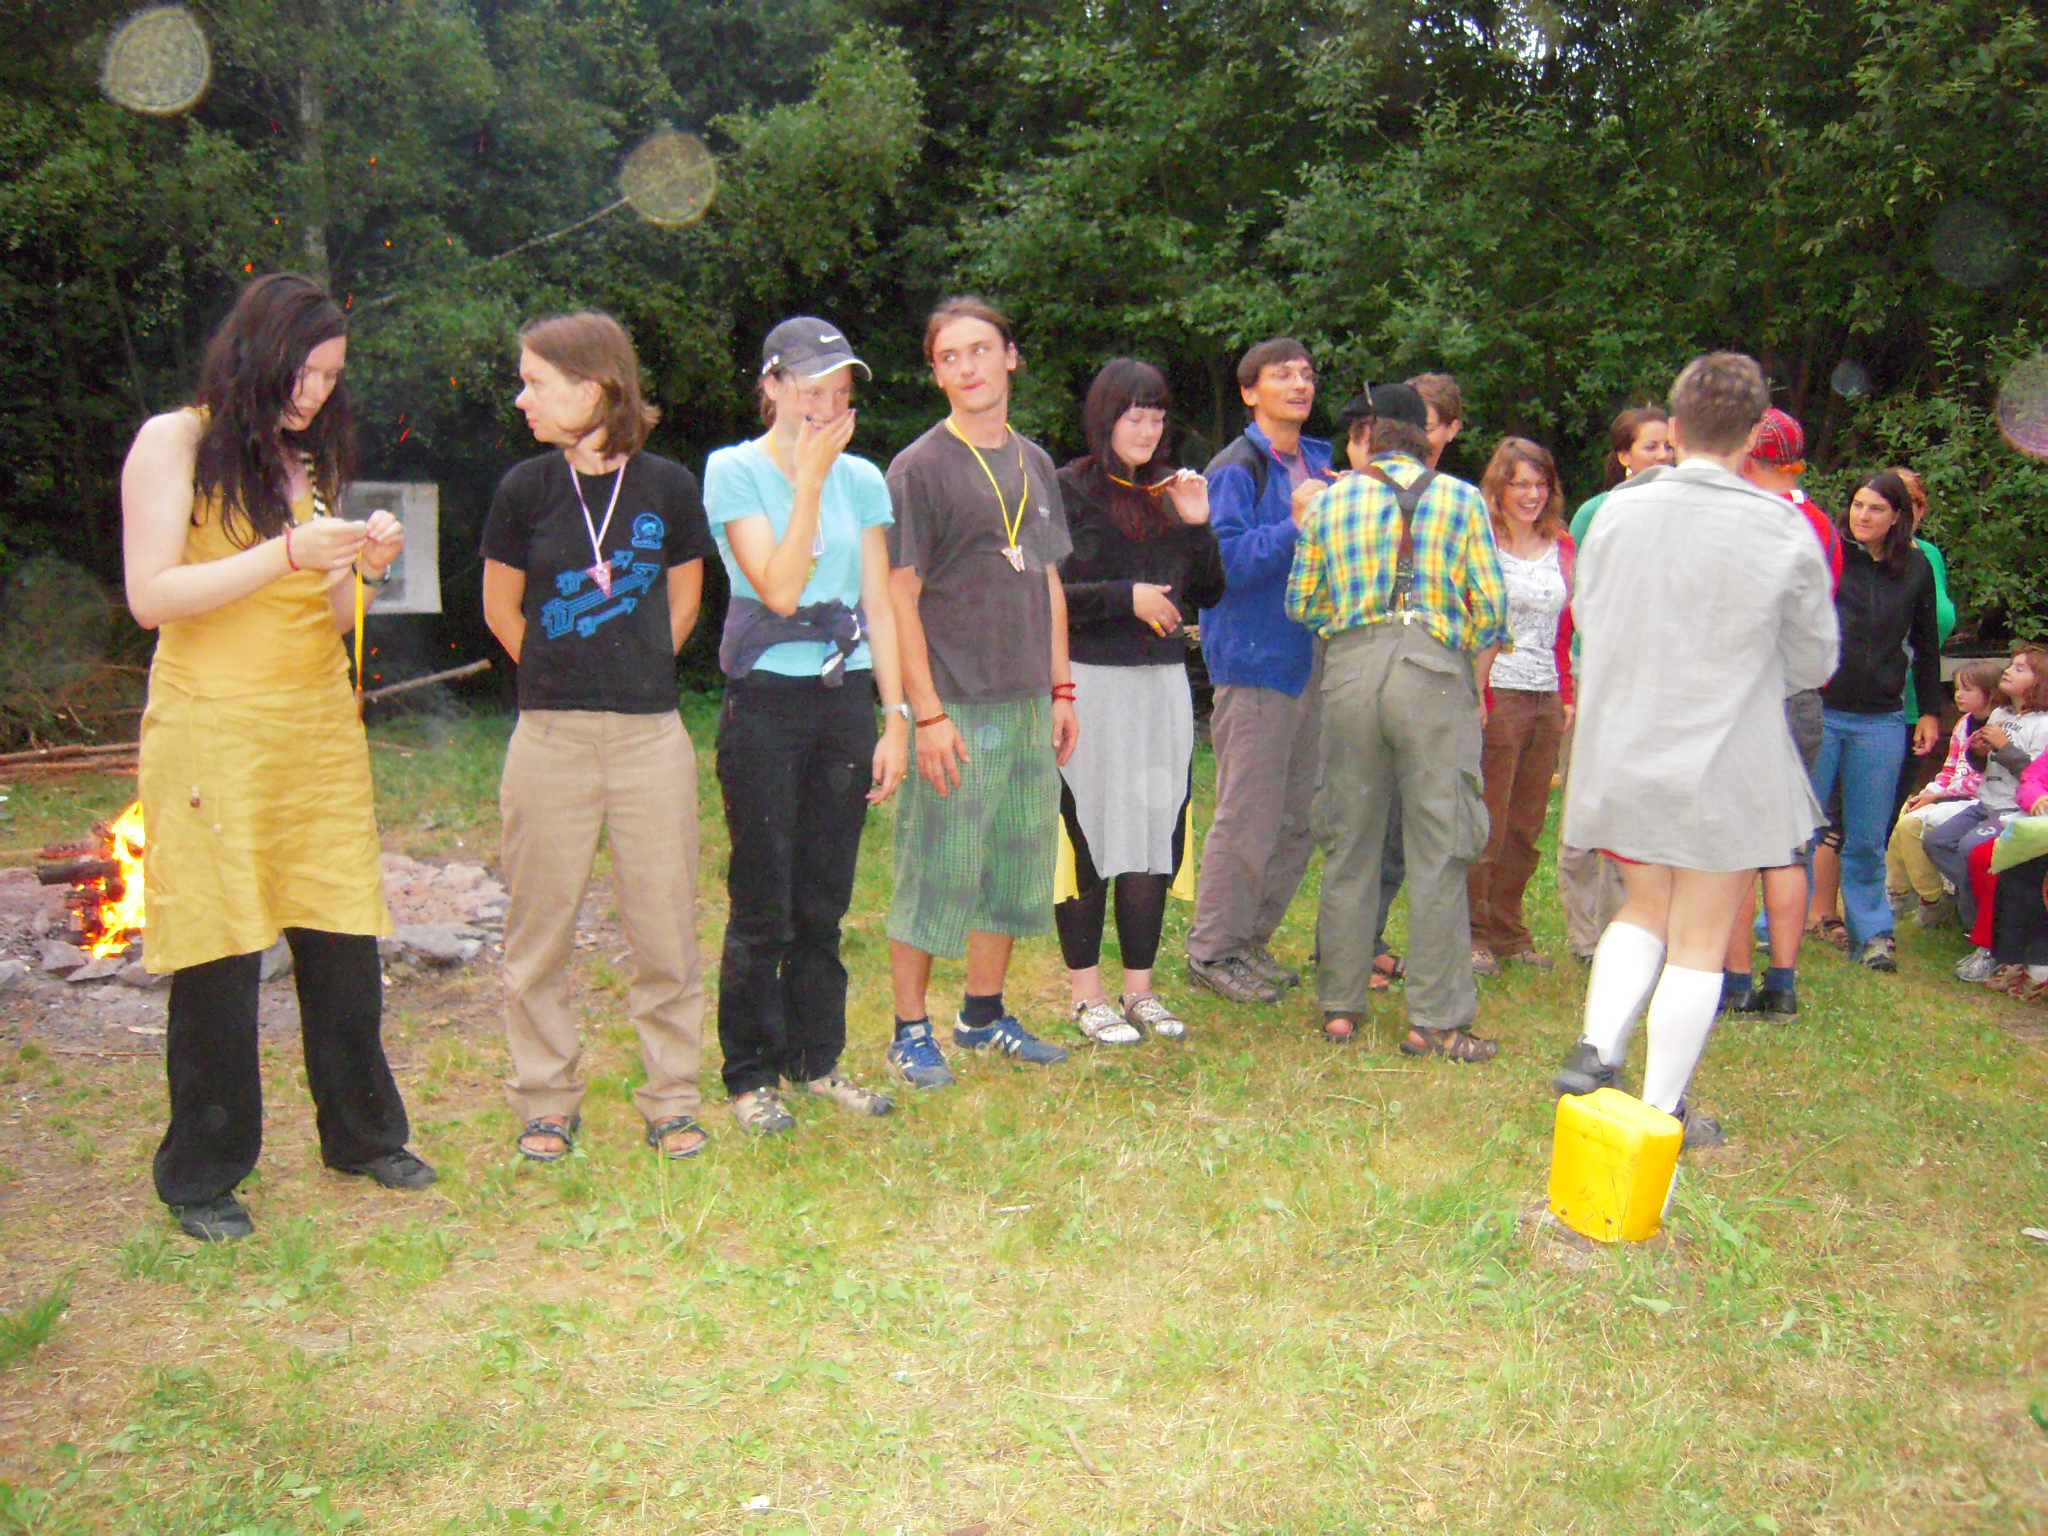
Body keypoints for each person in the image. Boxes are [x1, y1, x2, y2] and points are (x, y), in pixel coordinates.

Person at [121, 272, 433, 1243]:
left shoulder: (306, 465)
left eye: (331, 378)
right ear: (257, 353)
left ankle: (363, 1135)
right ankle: (203, 1172)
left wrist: (362, 569)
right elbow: (152, 595)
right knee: (218, 946)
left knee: (340, 934)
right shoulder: (175, 442)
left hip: (313, 732)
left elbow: (325, 615)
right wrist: (289, 554)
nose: (315, 393)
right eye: (305, 372)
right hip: (212, 729)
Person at [1552, 352, 1838, 1148]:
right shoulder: (1781, 525)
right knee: (1703, 935)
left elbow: (1591, 620)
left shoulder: (1616, 512)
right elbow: (1815, 659)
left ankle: (1598, 1046)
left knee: (1646, 904)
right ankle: (1659, 1109)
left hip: (1626, 741)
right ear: (1751, 436)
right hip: (1726, 755)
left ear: (1674, 428)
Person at [482, 311, 716, 1163]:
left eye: (535, 382)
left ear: (592, 388)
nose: (523, 399)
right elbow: (499, 607)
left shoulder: (668, 487)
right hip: (548, 738)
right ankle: (546, 1099)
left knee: (665, 929)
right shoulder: (524, 490)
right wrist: (557, 673)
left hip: (651, 739)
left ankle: (672, 1098)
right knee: (538, 932)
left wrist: (640, 666)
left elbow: (684, 600)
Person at [702, 316, 908, 1134]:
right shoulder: (734, 470)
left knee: (824, 897)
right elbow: (782, 588)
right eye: (811, 389)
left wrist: (895, 717)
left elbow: (880, 604)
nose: (826, 405)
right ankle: (750, 1074)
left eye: (840, 391)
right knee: (763, 898)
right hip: (765, 704)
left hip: (842, 698)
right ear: (774, 385)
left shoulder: (865, 479)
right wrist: (810, 481)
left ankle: (816, 1061)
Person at [883, 296, 1077, 1086]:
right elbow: (899, 595)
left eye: (980, 350)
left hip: (1027, 701)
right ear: (936, 374)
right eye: (949, 357)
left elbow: (1049, 578)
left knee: (1015, 862)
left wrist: (1061, 688)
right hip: (956, 702)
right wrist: (925, 713)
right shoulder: (919, 468)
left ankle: (983, 1014)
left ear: (1010, 357)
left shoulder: (1034, 462)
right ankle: (908, 1030)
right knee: (938, 867)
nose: (967, 367)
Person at [1285, 381, 1507, 1054]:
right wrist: (1446, 642)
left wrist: (1357, 628)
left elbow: (1302, 602)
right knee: (1440, 845)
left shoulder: (1331, 502)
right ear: (1424, 438)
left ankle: (1340, 1006)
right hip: (1432, 675)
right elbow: (1492, 609)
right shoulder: (1461, 499)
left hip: (1351, 673)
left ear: (1371, 436)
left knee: (1349, 841)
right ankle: (1435, 1019)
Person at [1052, 359, 1224, 1043]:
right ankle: (1086, 994)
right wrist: (1126, 597)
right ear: (1106, 418)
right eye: (1134, 416)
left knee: (1155, 833)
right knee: (1088, 831)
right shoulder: (1067, 489)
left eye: (1157, 417)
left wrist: (1197, 525)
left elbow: (1208, 592)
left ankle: (1140, 991)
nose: (1148, 430)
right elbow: (1049, 596)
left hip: (1161, 686)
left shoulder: (1171, 492)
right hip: (1090, 683)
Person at [1183, 338, 1334, 1005]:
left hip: (1313, 655)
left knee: (1297, 818)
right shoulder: (1236, 468)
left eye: (1306, 374)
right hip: (1255, 660)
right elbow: (1222, 568)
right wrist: (1297, 525)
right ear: (1250, 392)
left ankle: (1250, 940)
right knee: (1248, 816)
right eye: (1282, 375)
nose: (1299, 384)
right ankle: (1212, 949)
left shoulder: (1321, 461)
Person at [1719, 408, 1842, 1015]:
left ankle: (1737, 982)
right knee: (1789, 842)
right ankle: (1783, 985)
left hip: (1744, 693)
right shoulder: (1819, 523)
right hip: (1801, 692)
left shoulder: (1741, 518)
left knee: (1740, 844)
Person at [1802, 471, 1942, 972]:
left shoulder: (1917, 567)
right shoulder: (1830, 555)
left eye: (1876, 508)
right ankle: (1774, 927)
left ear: (1897, 517)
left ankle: (1874, 935)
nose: (1863, 516)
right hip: (1821, 707)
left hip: (1881, 719)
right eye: (1858, 504)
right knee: (1801, 829)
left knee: (1866, 838)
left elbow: (1926, 644)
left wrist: (1930, 710)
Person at [1556, 405, 1674, 962]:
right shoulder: (1596, 512)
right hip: (1596, 676)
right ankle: (1585, 934)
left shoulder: (1685, 514)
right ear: (1624, 455)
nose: (1664, 456)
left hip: (1657, 683)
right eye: (1651, 446)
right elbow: (1575, 597)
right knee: (1587, 803)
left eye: (1670, 446)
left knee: (1638, 810)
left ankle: (1627, 926)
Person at [1467, 437, 1575, 975]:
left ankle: (1509, 929)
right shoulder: (1483, 540)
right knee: (1488, 819)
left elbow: (1567, 626)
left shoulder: (1562, 544)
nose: (1532, 495)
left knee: (1528, 825)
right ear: (1499, 488)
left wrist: (1566, 695)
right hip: (1498, 690)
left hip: (1546, 693)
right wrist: (1476, 694)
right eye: (1520, 485)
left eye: (1540, 484)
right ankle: (1471, 932)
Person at [1930, 642, 2048, 953]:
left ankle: (1978, 927)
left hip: (2011, 807)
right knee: (1937, 841)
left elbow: (2036, 776)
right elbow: (1983, 767)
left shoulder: (2043, 723)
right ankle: (1988, 906)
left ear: (2040, 682)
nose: (2008, 671)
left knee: (1970, 848)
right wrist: (1979, 752)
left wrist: (2005, 747)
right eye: (2011, 664)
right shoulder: (1999, 712)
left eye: (2020, 669)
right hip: (1986, 801)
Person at [1886, 660, 2000, 925]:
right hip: (1951, 795)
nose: (1958, 695)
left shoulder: (1999, 727)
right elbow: (1950, 769)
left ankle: (1933, 899)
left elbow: (1986, 780)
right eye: (1957, 688)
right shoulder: (1963, 724)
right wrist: (1930, 792)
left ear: (1990, 693)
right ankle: (1899, 891)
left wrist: (1938, 796)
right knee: (1902, 812)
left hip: (1975, 801)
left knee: (1910, 826)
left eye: (1967, 689)